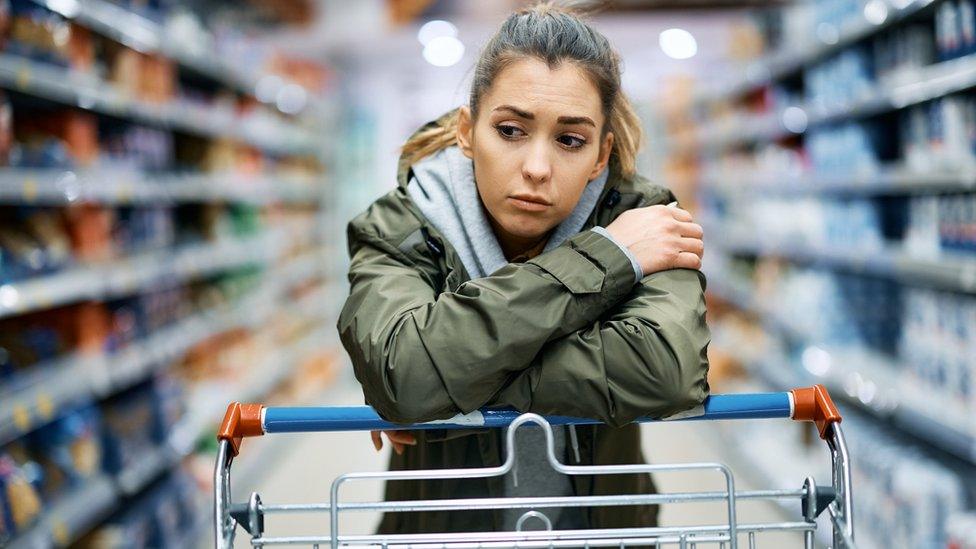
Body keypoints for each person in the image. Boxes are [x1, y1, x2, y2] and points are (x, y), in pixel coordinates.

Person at [337, 1, 710, 536]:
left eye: (570, 140)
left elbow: (666, 371)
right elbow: (406, 373)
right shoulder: (400, 226)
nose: (537, 168)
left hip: (605, 533)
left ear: (602, 155)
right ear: (467, 131)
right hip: (445, 536)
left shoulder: (643, 219)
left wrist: (446, 383)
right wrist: (608, 258)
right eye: (511, 130)